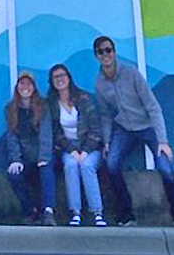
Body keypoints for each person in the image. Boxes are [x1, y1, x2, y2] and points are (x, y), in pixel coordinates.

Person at [93, 36, 174, 226]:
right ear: (96, 55)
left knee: (165, 168)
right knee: (111, 164)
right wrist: (106, 141)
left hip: (147, 127)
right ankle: (127, 214)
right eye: (101, 51)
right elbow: (105, 114)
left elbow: (153, 106)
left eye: (108, 50)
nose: (105, 54)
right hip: (124, 129)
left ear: (114, 52)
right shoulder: (99, 83)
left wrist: (163, 141)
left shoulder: (131, 73)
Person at [49, 64, 106, 227]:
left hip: (91, 147)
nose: (60, 80)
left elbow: (96, 129)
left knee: (87, 166)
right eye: (56, 77)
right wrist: (72, 150)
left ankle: (97, 212)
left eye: (62, 75)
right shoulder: (52, 104)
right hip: (69, 148)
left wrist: (86, 150)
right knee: (70, 165)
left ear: (69, 77)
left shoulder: (84, 99)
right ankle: (75, 212)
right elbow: (56, 133)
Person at [4, 71, 55, 226]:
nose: (25, 87)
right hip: (24, 157)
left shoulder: (43, 106)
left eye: (28, 84)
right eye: (22, 83)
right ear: (17, 87)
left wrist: (44, 157)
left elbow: (46, 133)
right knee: (14, 175)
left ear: (33, 87)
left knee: (47, 170)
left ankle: (48, 211)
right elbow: (11, 136)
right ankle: (30, 210)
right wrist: (15, 159)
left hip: (42, 154)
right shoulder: (10, 109)